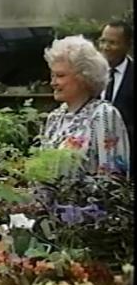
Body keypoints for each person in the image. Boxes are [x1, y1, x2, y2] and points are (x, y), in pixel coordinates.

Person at [41, 35, 130, 178]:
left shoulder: (103, 115)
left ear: (84, 77)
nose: (53, 83)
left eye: (60, 75)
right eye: (52, 76)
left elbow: (114, 181)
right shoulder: (54, 118)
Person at [98, 20, 134, 178]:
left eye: (112, 43)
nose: (105, 47)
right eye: (103, 41)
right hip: (96, 156)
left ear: (128, 45)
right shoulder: (91, 75)